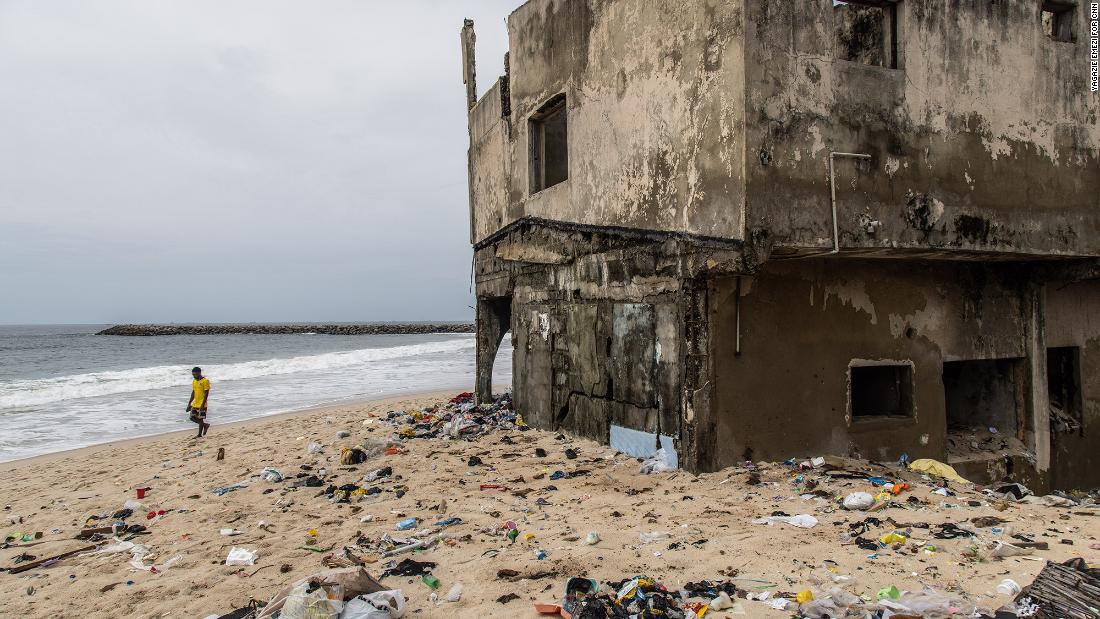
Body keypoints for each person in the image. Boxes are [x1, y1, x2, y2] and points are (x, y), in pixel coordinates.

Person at [186, 366, 211, 437]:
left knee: (200, 419)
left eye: (195, 374)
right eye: (193, 375)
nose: (194, 376)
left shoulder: (205, 381)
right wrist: (189, 403)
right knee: (192, 417)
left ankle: (199, 434)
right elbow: (193, 392)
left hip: (202, 404)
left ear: (199, 373)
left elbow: (206, 393)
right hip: (195, 403)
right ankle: (205, 425)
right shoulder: (194, 381)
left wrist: (202, 405)